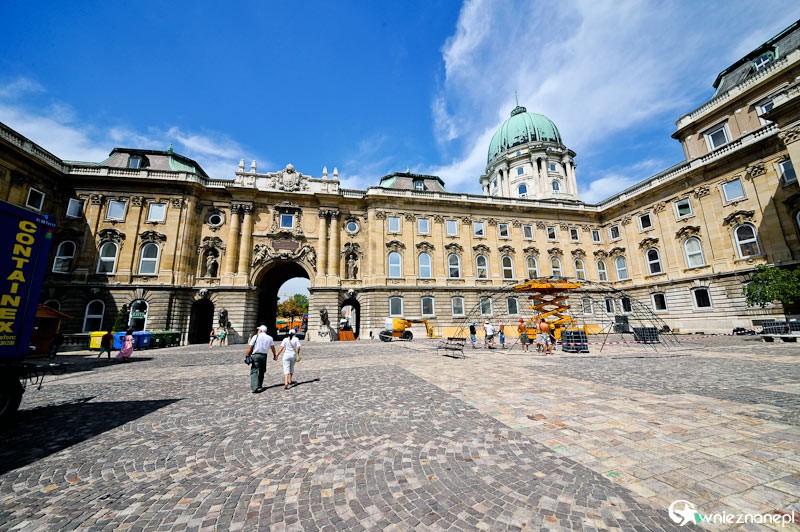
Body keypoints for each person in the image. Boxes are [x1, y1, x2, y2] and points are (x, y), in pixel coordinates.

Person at [245, 324, 276, 393]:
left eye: (258, 329)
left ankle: (255, 387)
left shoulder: (256, 336)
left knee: (254, 371)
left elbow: (250, 347)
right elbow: (273, 348)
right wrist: (274, 355)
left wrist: (247, 355)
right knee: (262, 370)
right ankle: (259, 385)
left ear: (261, 330)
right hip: (264, 356)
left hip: (256, 355)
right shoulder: (270, 338)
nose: (258, 330)